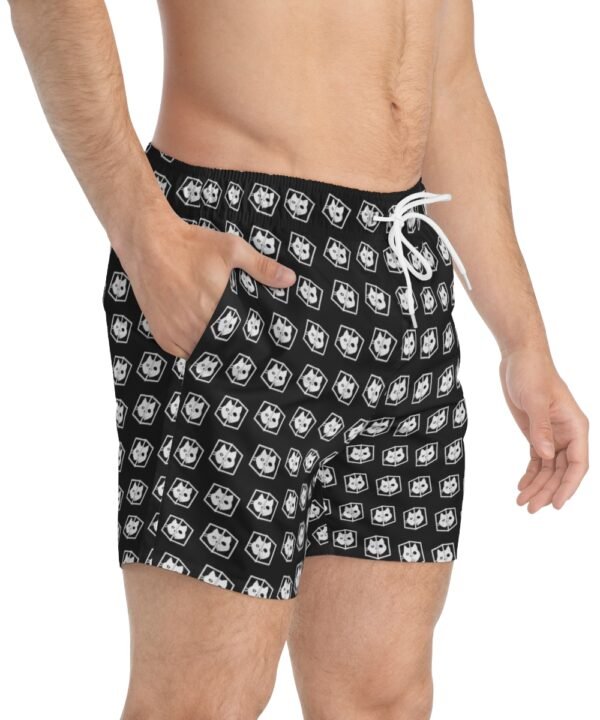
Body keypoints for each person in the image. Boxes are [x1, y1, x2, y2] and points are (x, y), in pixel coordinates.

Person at [8, 1, 590, 718]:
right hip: (242, 253)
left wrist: (524, 341)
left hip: (403, 277)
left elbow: (447, 80)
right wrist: (142, 231)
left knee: (382, 700)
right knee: (200, 702)